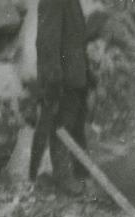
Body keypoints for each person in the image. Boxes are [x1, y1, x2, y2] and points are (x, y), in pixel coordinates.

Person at [29, 0, 90, 195]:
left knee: (73, 127)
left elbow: (77, 40)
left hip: (75, 76)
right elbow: (48, 41)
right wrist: (54, 80)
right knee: (61, 128)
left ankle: (79, 176)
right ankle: (63, 178)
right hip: (63, 78)